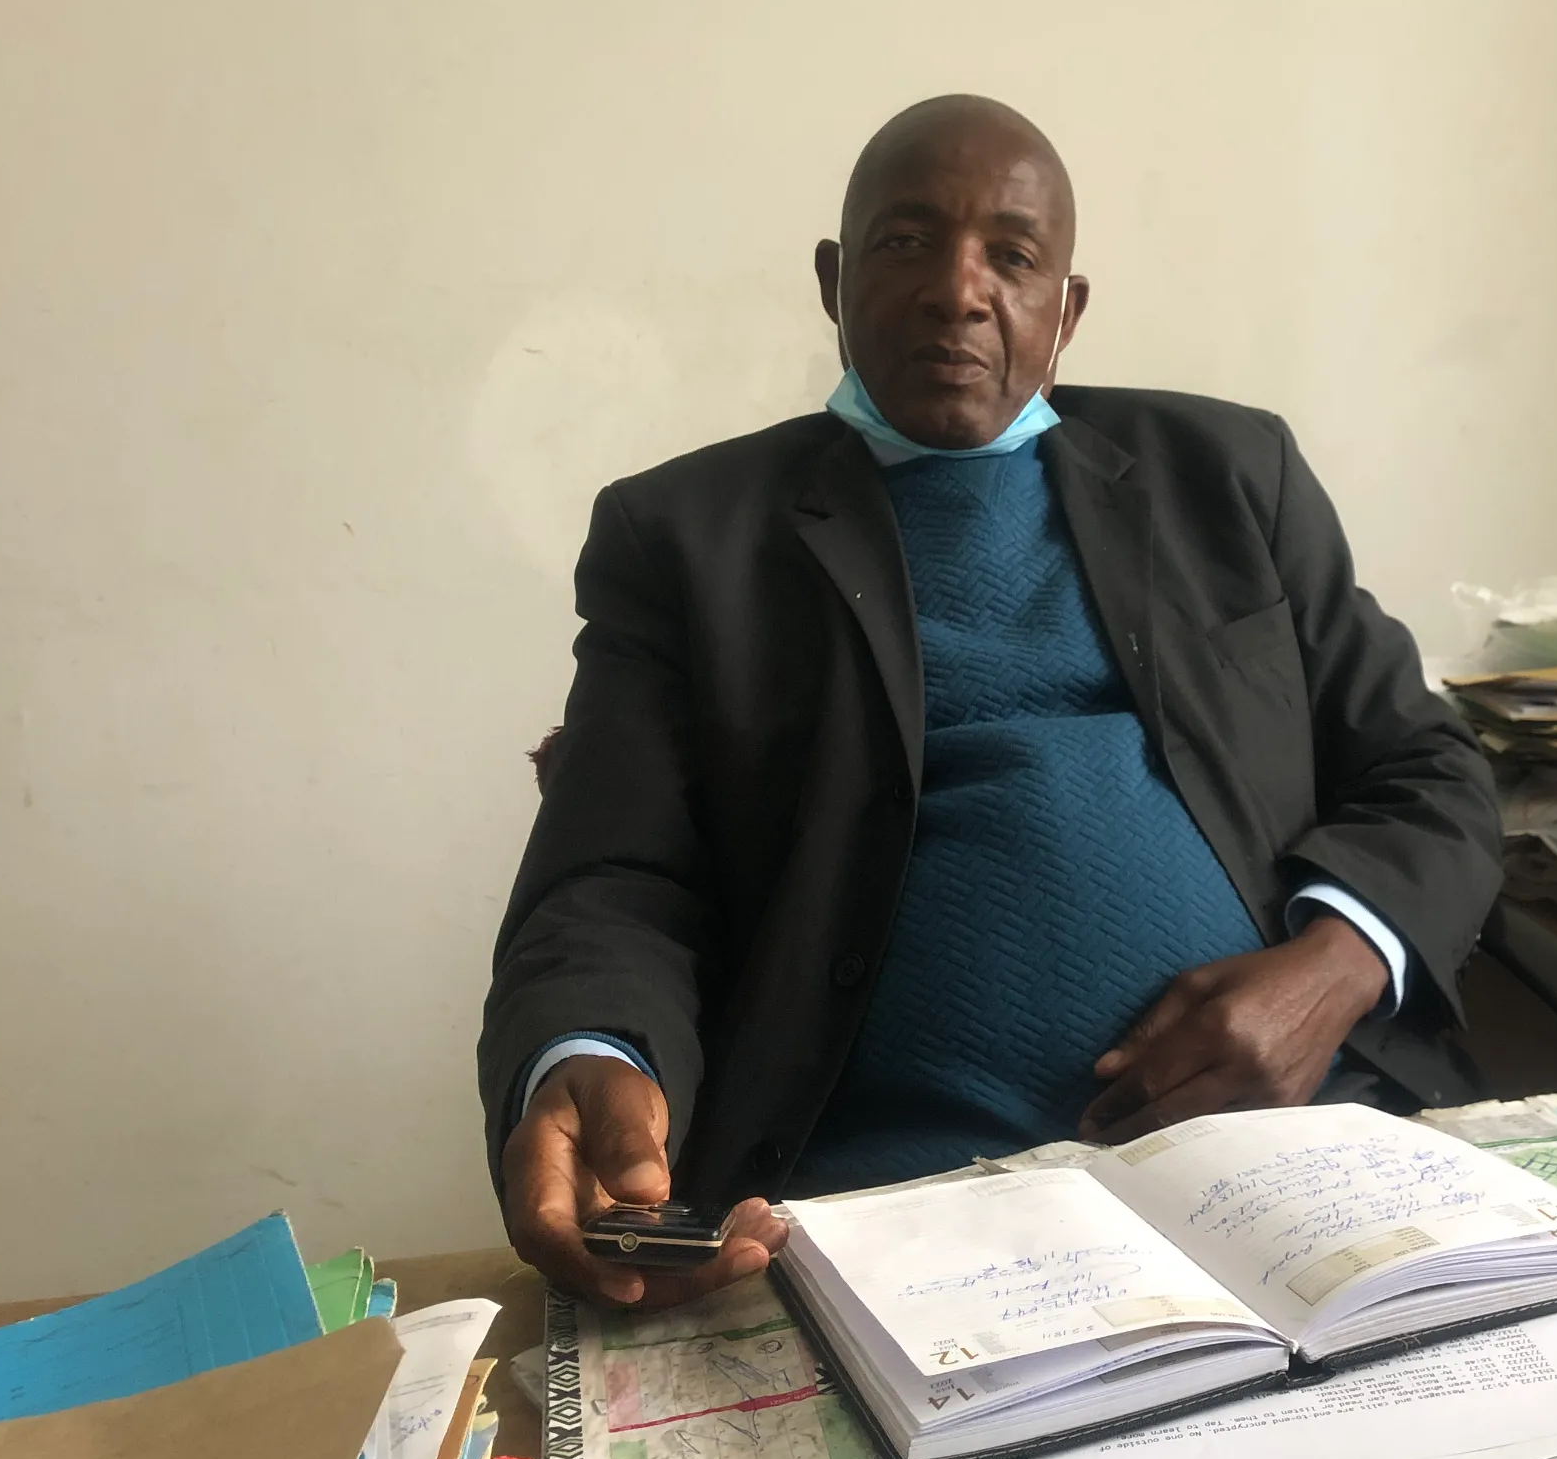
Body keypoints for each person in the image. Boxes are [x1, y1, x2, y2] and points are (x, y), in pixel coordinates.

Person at [479, 96, 1503, 1308]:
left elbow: (1431, 770)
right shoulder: (687, 538)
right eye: (908, 242)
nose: (959, 292)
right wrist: (591, 1048)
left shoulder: (1228, 478)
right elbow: (612, 873)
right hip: (893, 1215)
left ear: (1064, 311)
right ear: (833, 280)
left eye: (1012, 257)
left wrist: (1334, 968)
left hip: (1287, 1161)